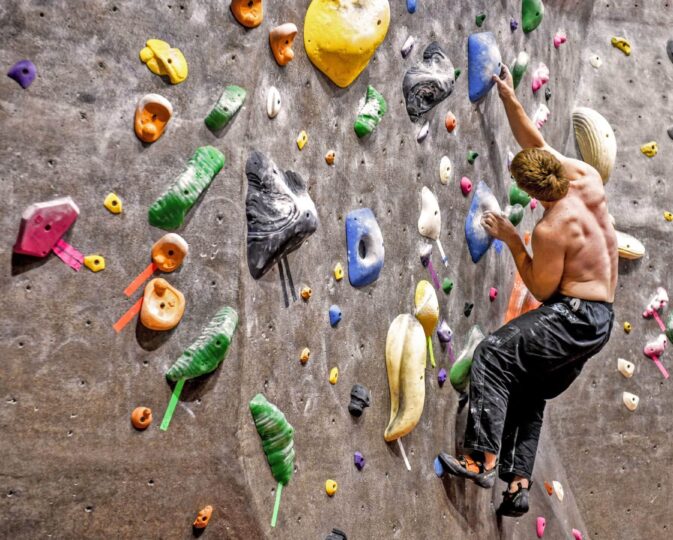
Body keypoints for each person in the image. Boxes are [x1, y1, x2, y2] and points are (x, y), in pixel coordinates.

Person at [437, 66, 617, 517]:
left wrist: (512, 238)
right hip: (601, 319)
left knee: (495, 355)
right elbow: (532, 140)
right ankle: (517, 484)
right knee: (532, 385)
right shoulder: (583, 177)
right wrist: (508, 98)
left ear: (534, 193)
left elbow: (540, 286)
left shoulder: (552, 229)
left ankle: (481, 459)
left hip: (575, 316)